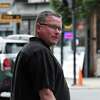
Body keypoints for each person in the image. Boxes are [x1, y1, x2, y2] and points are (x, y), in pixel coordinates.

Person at [11, 10, 70, 100]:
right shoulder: (39, 52)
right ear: (38, 27)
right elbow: (46, 95)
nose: (57, 32)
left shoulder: (30, 49)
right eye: (53, 27)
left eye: (59, 29)